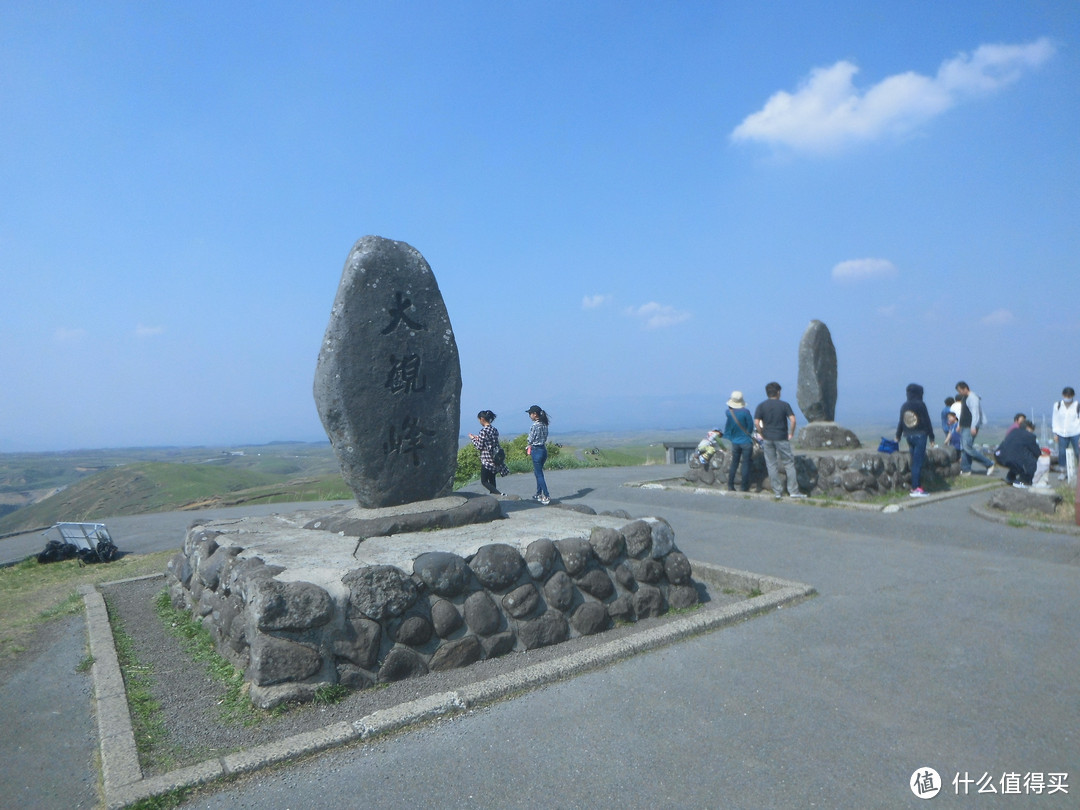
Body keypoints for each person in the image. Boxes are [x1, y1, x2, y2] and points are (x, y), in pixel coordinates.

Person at [753, 382, 806, 499]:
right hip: (782, 437)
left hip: (767, 438)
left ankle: (777, 491)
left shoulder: (761, 406)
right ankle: (793, 491)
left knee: (771, 465)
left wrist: (761, 433)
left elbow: (756, 422)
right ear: (778, 392)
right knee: (789, 464)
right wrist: (791, 433)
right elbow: (793, 420)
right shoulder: (784, 405)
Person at [895, 383, 935, 497]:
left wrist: (897, 435)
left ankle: (916, 486)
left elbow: (901, 422)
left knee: (914, 462)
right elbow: (927, 421)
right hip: (920, 436)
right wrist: (932, 437)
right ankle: (916, 488)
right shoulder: (920, 405)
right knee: (918, 463)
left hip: (908, 436)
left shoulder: (904, 406)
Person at [955, 381, 995, 476]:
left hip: (970, 426)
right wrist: (959, 425)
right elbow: (963, 413)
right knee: (965, 449)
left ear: (965, 388)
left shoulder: (973, 398)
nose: (959, 393)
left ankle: (988, 463)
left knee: (967, 448)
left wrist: (974, 426)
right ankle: (966, 469)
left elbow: (975, 413)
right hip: (964, 425)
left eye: (960, 391)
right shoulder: (965, 398)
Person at [467, 410, 508, 495]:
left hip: (487, 459)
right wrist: (478, 437)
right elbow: (491, 441)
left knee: (484, 481)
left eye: (479, 419)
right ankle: (494, 495)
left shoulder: (483, 431)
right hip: (495, 458)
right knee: (492, 479)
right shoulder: (494, 430)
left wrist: (473, 439)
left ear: (482, 419)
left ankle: (499, 494)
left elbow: (479, 446)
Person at [723, 391, 755, 492]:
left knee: (734, 463)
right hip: (746, 441)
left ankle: (730, 485)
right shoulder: (746, 412)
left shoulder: (728, 412)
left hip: (735, 442)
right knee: (745, 464)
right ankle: (744, 487)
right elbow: (750, 427)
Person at [996, 421, 1040, 487]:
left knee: (1017, 461)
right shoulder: (1029, 436)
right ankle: (1025, 480)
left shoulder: (1013, 432)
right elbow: (1036, 452)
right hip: (1013, 459)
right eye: (1031, 430)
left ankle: (1010, 477)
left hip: (1000, 456)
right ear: (1028, 428)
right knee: (1031, 460)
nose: (1032, 432)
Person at [1051, 386, 1080, 480]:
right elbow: (1055, 419)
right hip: (1061, 432)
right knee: (1062, 453)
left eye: (1069, 395)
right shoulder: (1058, 405)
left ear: (1073, 396)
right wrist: (1055, 433)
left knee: (1077, 452)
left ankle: (1078, 472)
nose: (1067, 397)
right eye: (1066, 395)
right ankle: (1062, 471)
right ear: (1063, 395)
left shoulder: (1077, 406)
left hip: (1075, 432)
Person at [526, 405, 550, 504]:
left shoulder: (535, 426)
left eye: (530, 414)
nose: (529, 416)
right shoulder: (544, 424)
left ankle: (546, 495)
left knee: (539, 474)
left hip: (536, 451)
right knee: (537, 472)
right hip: (543, 449)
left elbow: (530, 439)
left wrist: (528, 445)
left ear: (534, 414)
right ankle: (538, 493)